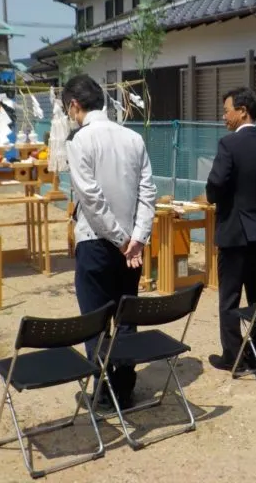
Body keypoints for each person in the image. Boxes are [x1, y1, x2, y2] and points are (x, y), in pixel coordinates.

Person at [64, 74, 157, 409]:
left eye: (68, 109)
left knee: (96, 320)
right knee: (126, 314)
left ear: (74, 105)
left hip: (97, 243)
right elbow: (148, 193)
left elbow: (91, 199)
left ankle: (104, 392)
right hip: (131, 248)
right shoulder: (133, 139)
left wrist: (120, 239)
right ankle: (125, 386)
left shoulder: (79, 141)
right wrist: (138, 238)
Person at [206, 87, 256, 371]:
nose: (224, 115)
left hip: (234, 231)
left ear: (242, 111)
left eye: (227, 110)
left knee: (229, 297)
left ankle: (233, 356)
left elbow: (216, 182)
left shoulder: (228, 145)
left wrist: (214, 197)